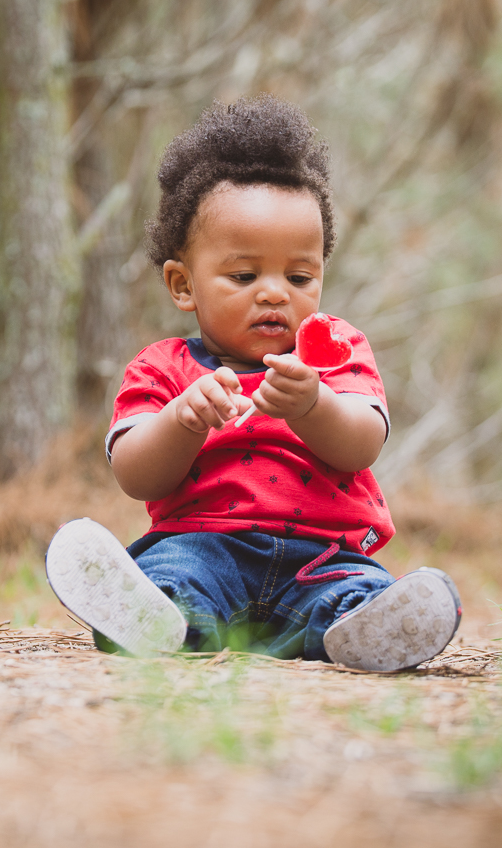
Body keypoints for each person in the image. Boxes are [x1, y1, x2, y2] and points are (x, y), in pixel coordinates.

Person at [46, 95, 461, 671]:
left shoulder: (334, 351)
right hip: (203, 546)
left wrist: (313, 404)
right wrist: (182, 420)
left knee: (352, 590)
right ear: (183, 285)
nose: (274, 292)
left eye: (299, 276)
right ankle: (161, 620)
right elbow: (136, 476)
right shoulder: (162, 367)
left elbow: (362, 445)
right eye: (244, 275)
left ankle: (365, 630)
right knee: (174, 575)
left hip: (322, 558)